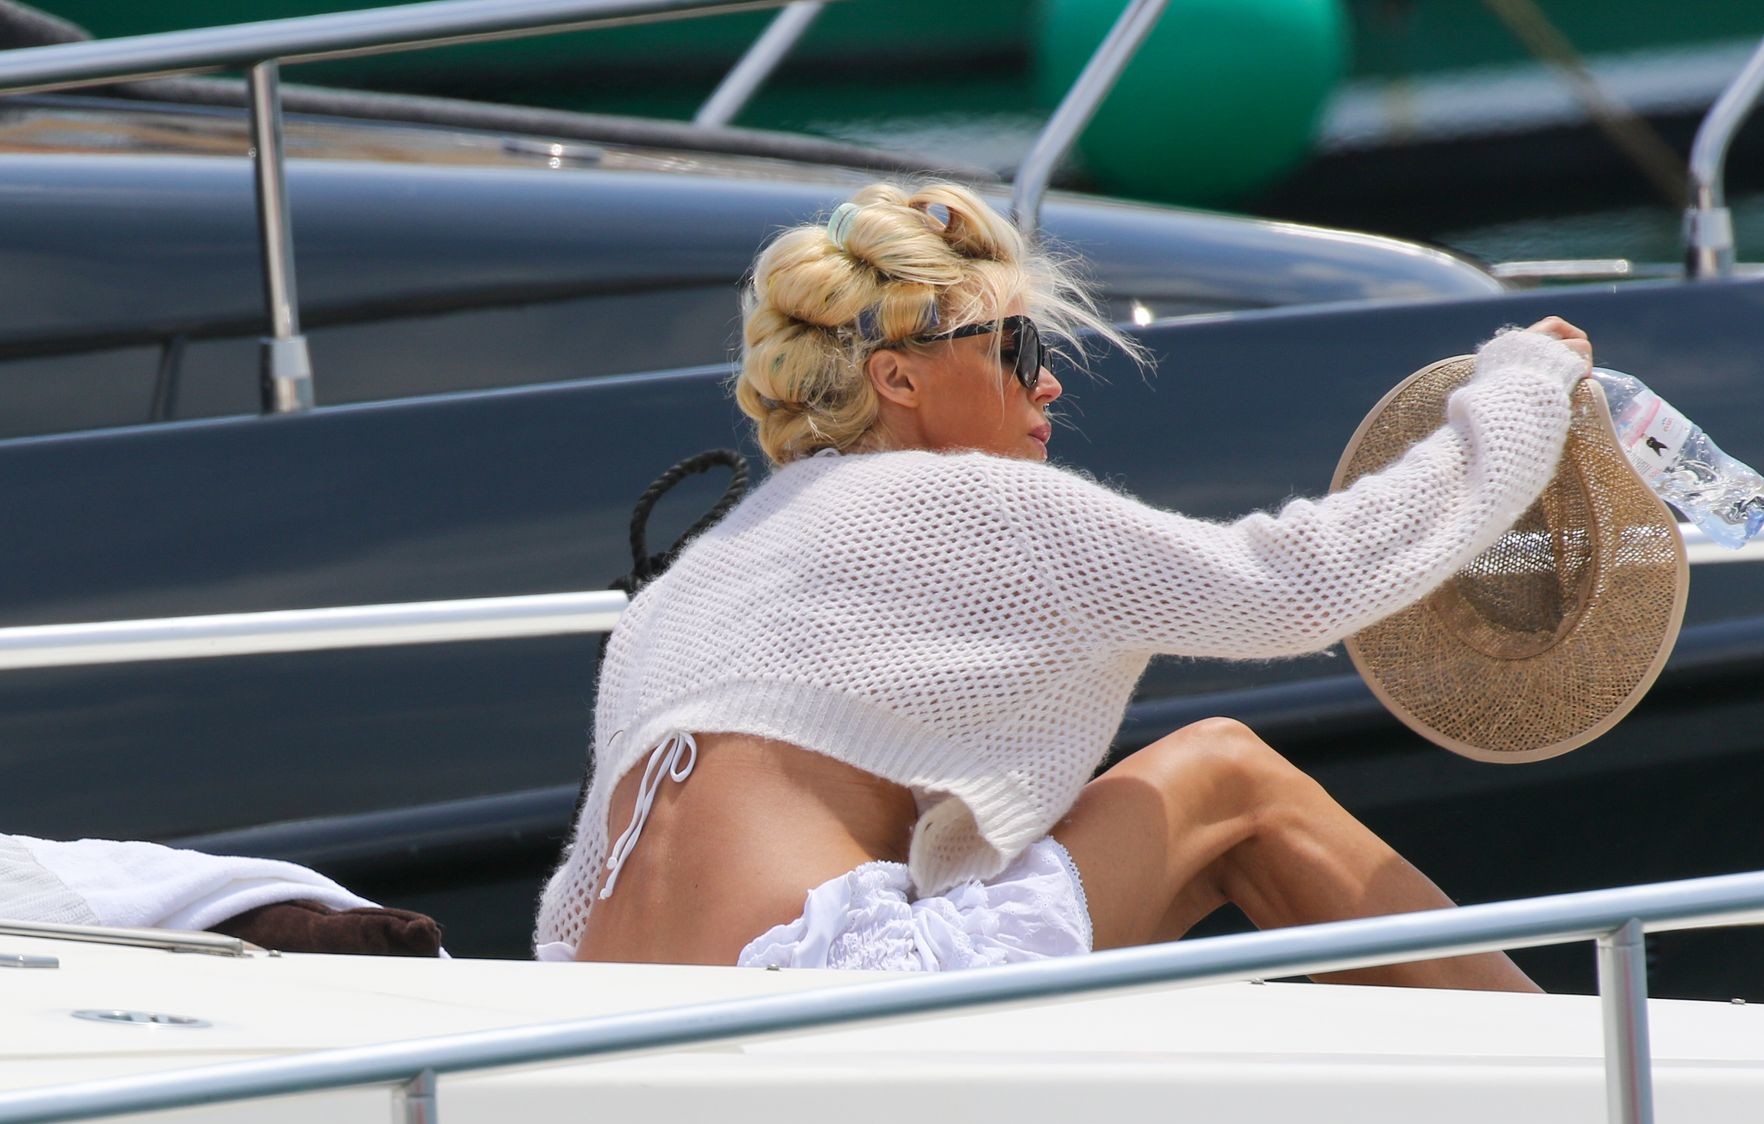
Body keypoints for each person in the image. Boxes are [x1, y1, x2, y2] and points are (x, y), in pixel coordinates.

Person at [533, 180, 1593, 988]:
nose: (1045, 381)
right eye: (1016, 345)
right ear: (897, 377)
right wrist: (1519, 395)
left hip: (612, 1015)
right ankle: (1592, 1086)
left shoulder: (697, 574)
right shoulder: (959, 502)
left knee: (1175, 846)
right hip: (819, 988)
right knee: (1228, 777)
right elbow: (1291, 584)